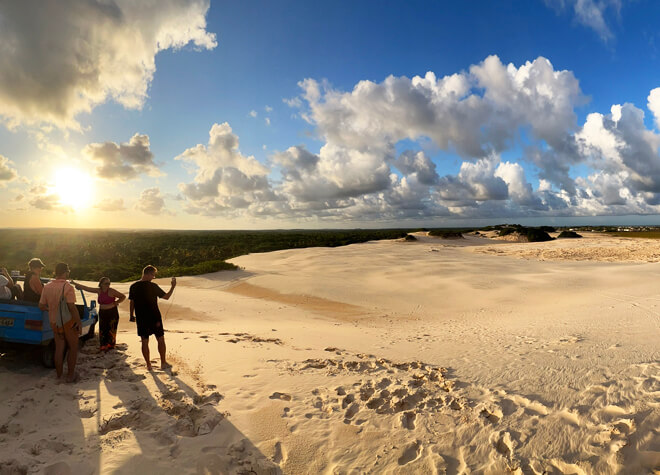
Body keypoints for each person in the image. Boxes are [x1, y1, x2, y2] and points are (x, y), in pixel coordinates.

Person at [39, 263, 82, 383]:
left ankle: (59, 375)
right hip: (67, 321)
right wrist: (78, 322)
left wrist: (51, 310)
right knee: (73, 348)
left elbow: (41, 305)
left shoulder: (47, 287)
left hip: (54, 322)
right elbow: (72, 307)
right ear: (65, 272)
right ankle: (70, 376)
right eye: (68, 271)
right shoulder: (67, 287)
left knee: (59, 348)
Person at [128, 266, 176, 371]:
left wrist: (131, 315)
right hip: (154, 316)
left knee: (144, 340)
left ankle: (149, 365)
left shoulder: (133, 286)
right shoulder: (153, 286)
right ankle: (163, 363)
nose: (153, 277)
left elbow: (132, 302)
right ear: (148, 274)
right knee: (160, 338)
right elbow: (166, 297)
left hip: (141, 317)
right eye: (153, 275)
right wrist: (173, 286)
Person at [72, 277, 126, 352]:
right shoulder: (99, 290)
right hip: (102, 312)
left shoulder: (111, 291)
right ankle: (103, 345)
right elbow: (87, 288)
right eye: (106, 283)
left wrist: (116, 302)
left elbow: (123, 296)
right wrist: (75, 283)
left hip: (112, 312)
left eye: (109, 283)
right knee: (103, 329)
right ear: (101, 284)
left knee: (111, 329)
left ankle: (110, 346)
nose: (108, 285)